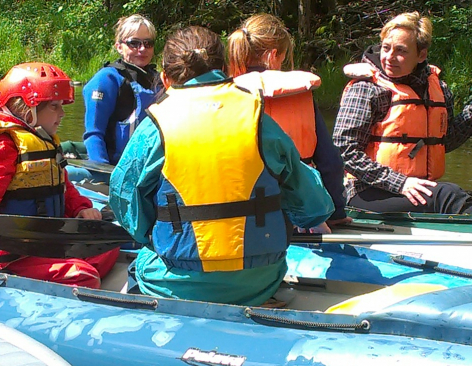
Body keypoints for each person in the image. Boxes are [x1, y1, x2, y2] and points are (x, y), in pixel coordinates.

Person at [109, 26, 333, 306]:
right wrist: (312, 217)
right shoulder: (257, 117)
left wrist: (153, 238)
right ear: (226, 68)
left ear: (165, 78)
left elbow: (125, 200)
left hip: (174, 282)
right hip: (259, 282)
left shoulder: (153, 127)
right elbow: (312, 204)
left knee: (139, 263)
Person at [0, 63, 119, 288]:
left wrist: (80, 208)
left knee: (107, 248)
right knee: (82, 275)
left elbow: (62, 187)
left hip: (42, 242)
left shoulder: (44, 141)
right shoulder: (2, 146)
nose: (62, 113)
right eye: (55, 107)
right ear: (29, 109)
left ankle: (69, 283)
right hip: (6, 254)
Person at [333, 11, 472, 214]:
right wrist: (400, 183)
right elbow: (343, 151)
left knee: (450, 194)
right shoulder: (367, 89)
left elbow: (446, 140)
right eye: (386, 48)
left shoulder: (437, 88)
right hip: (364, 192)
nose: (389, 57)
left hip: (412, 190)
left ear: (421, 55)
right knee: (449, 195)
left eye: (400, 51)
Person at [226, 13, 348, 226]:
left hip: (242, 213)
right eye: (283, 56)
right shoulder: (300, 94)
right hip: (296, 212)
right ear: (273, 55)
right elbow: (330, 163)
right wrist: (335, 212)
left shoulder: (224, 95)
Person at [82, 15, 161, 164]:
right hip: (116, 168)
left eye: (148, 43)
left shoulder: (160, 81)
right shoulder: (107, 79)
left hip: (150, 169)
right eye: (134, 43)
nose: (142, 49)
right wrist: (102, 173)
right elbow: (94, 134)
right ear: (119, 46)